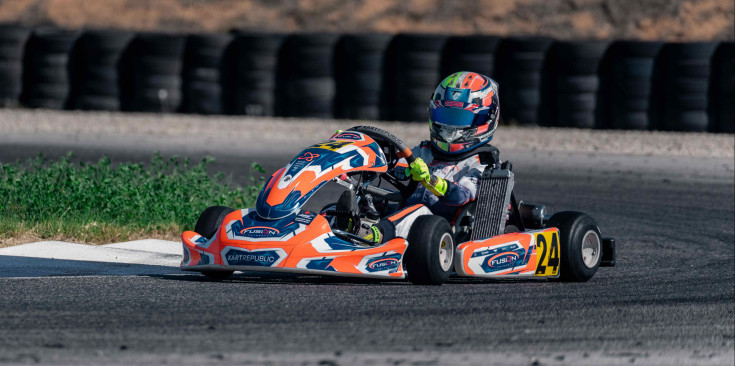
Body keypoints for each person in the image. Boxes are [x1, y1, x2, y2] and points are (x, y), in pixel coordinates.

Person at [363, 71, 502, 244]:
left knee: (418, 211)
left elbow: (461, 195)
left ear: (485, 119)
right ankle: (338, 227)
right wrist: (362, 154)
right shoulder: (424, 151)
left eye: (459, 118)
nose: (448, 128)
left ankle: (369, 237)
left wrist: (430, 179)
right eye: (444, 116)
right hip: (406, 223)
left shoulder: (483, 163)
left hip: (445, 235)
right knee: (366, 201)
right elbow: (391, 164)